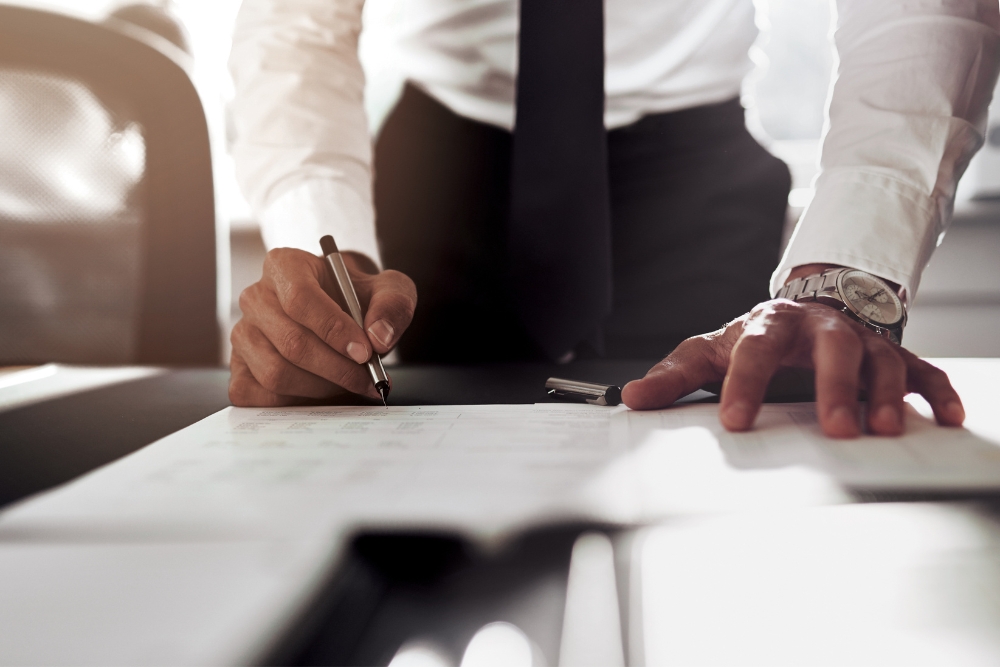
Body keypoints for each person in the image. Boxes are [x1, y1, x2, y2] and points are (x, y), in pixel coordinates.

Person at [227, 0, 999, 438]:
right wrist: (320, 247)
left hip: (694, 175)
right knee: (385, 470)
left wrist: (843, 278)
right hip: (438, 174)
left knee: (725, 466)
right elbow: (294, 27)